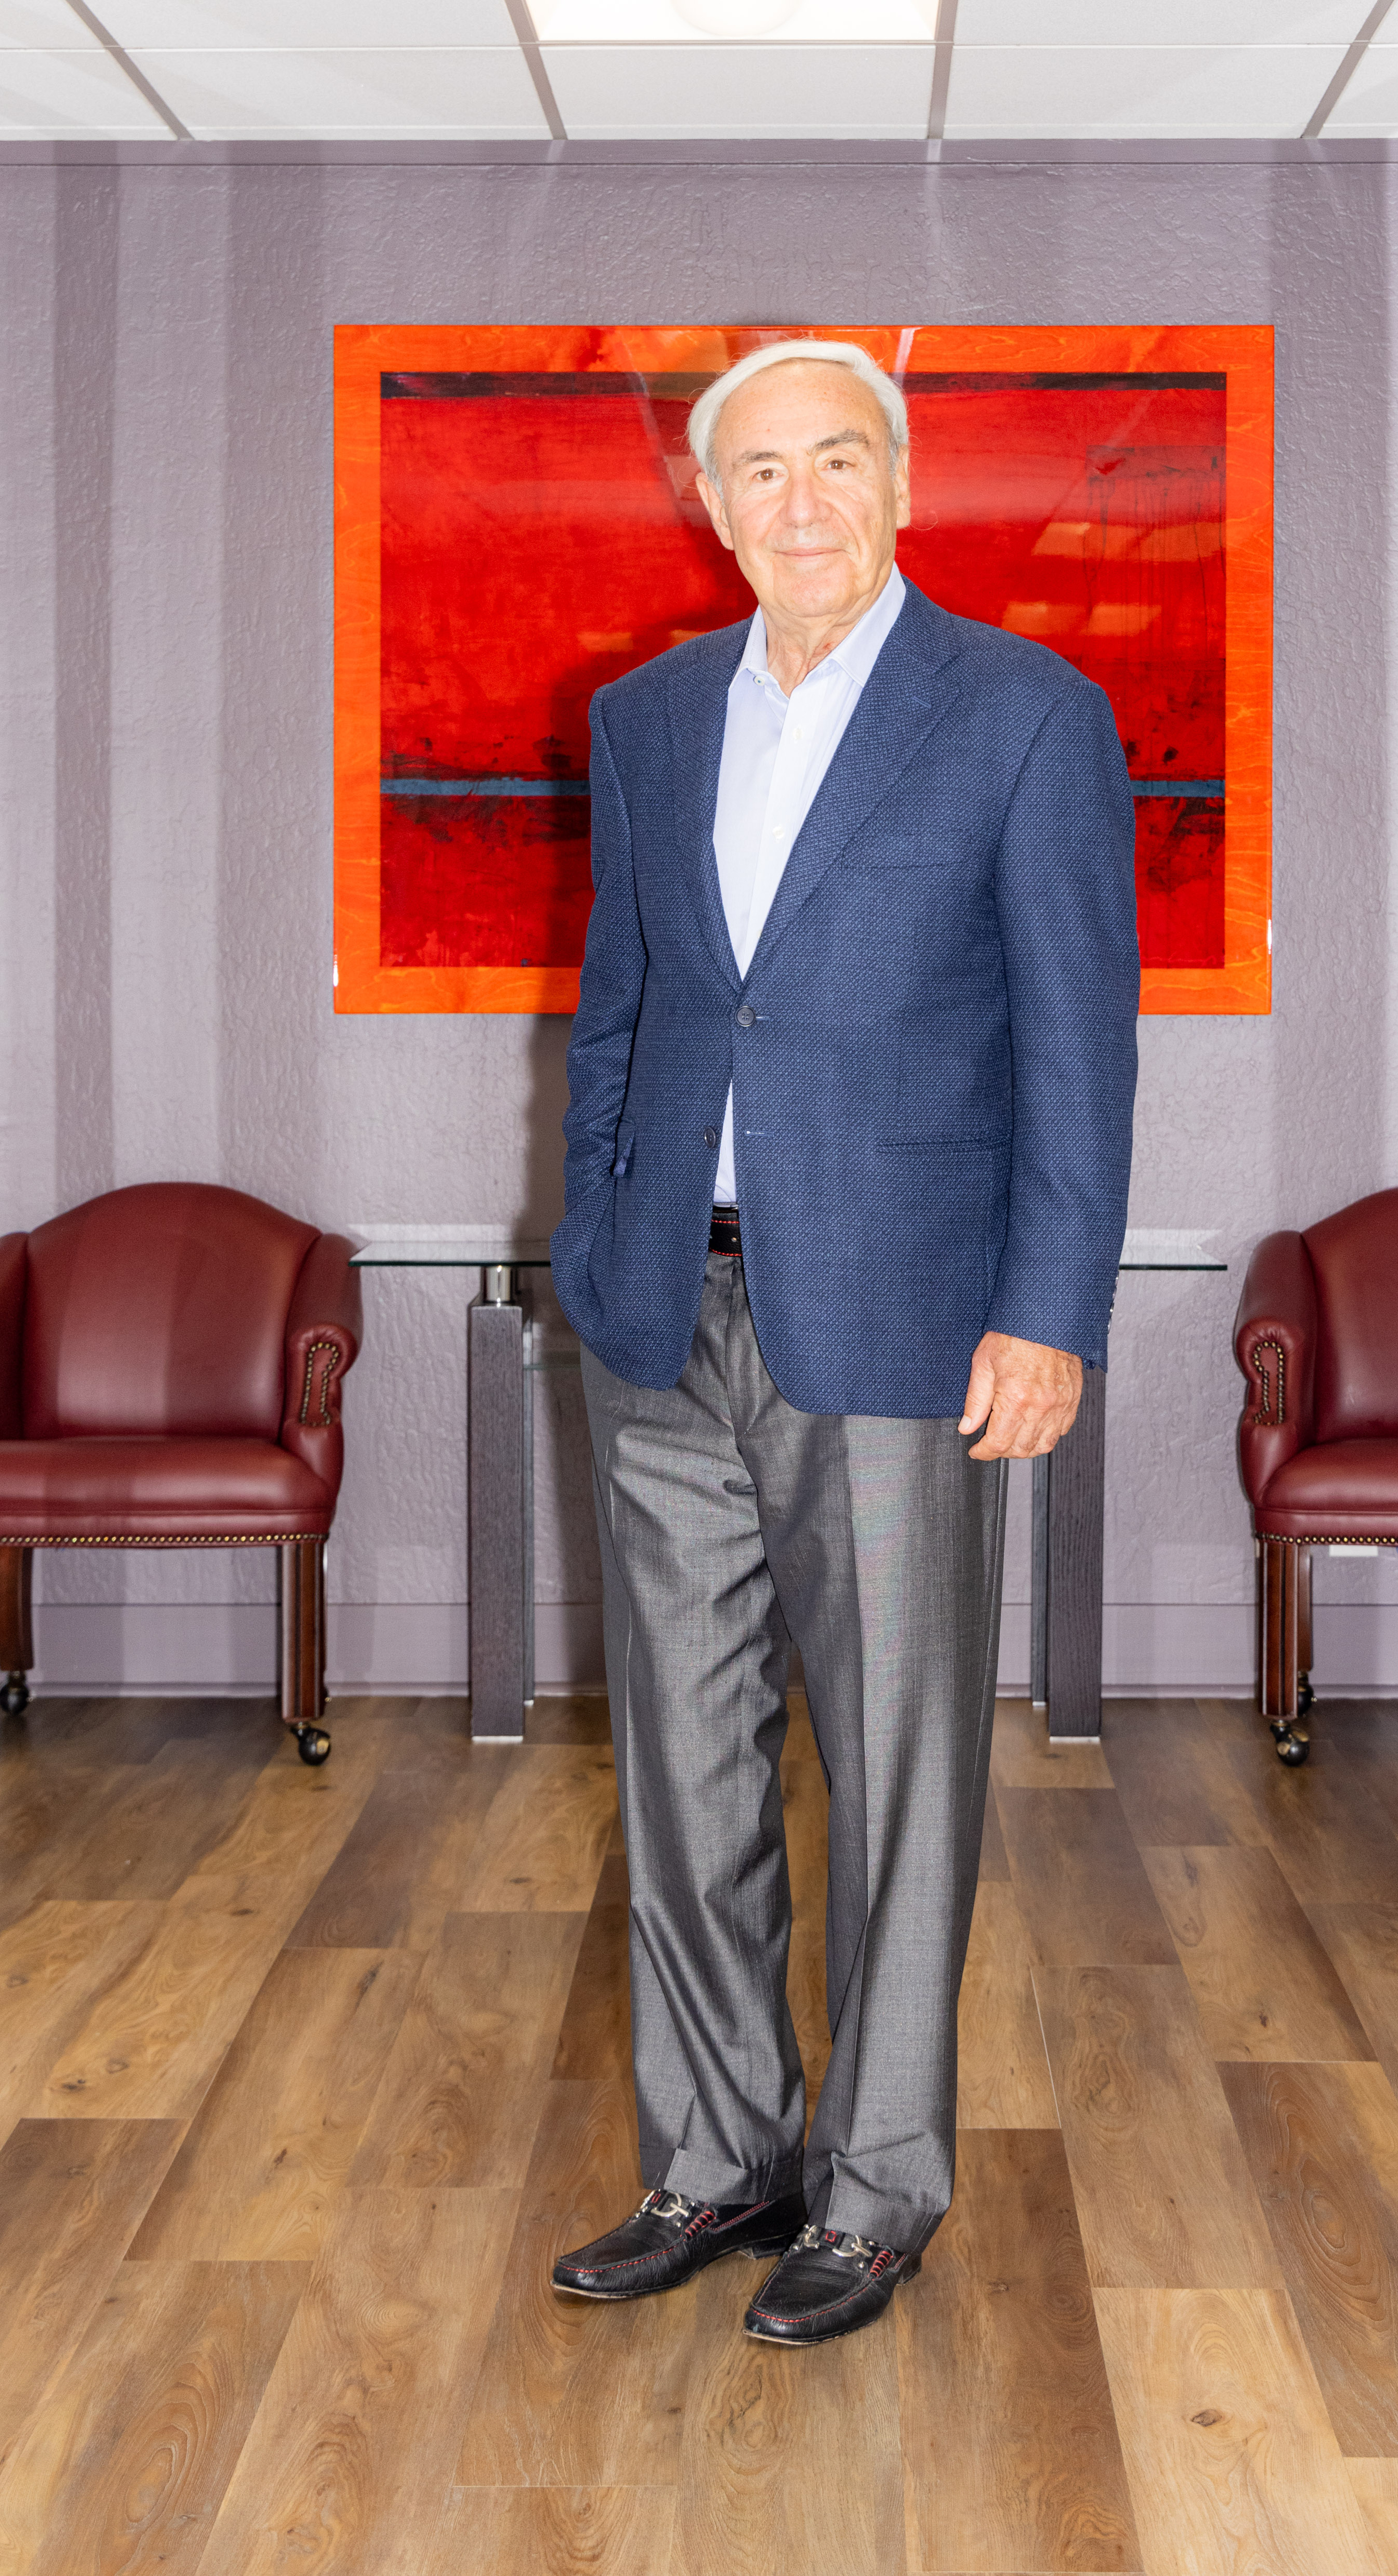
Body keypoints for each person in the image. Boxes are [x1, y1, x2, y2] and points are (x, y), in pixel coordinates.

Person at [548, 338, 1138, 2347]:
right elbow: (621, 1009)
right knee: (683, 1768)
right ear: (710, 507)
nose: (799, 503)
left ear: (896, 485)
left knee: (897, 1771)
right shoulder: (641, 723)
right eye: (761, 473)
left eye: (837, 463)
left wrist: (1049, 1310)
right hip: (660, 1318)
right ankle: (716, 2161)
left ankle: (876, 2189)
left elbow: (1078, 1042)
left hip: (893, 1330)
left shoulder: (1024, 715)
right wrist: (589, 1239)